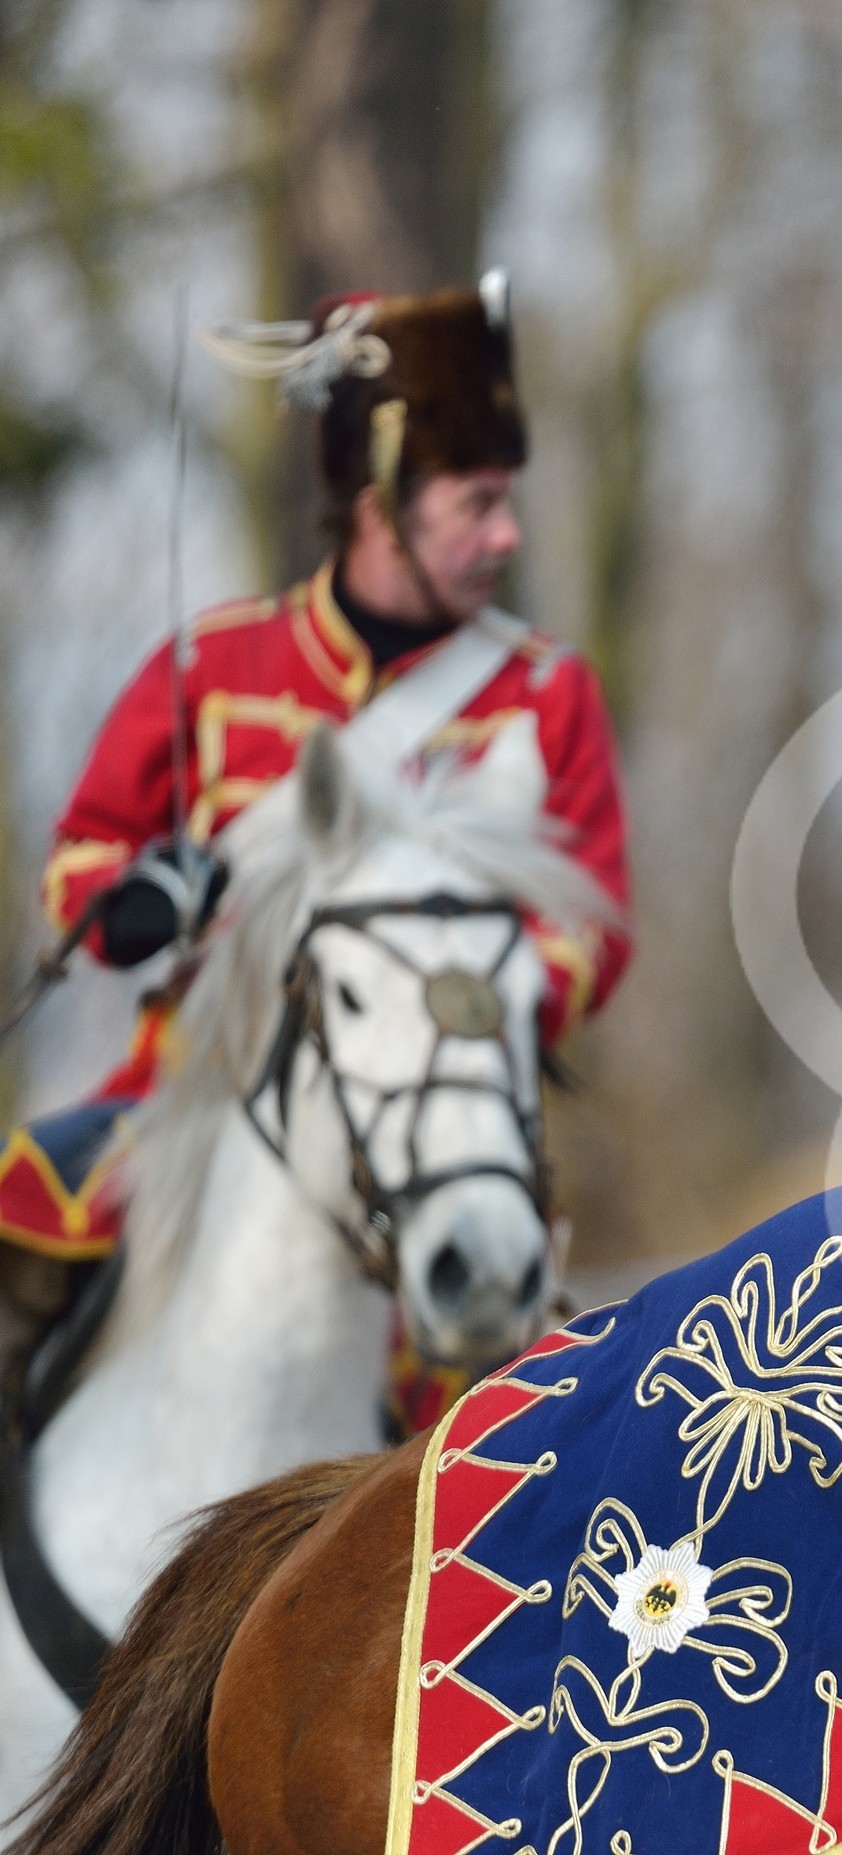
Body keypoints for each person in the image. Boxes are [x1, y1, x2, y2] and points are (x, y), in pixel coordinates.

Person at [0, 277, 632, 1427]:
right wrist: (141, 903)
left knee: (551, 1429)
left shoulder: (545, 691)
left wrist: (459, 997)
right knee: (20, 1221)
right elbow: (82, 857)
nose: (509, 534)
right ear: (384, 499)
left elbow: (591, 926)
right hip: (186, 1094)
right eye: (478, 502)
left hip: (439, 1120)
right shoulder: (216, 664)